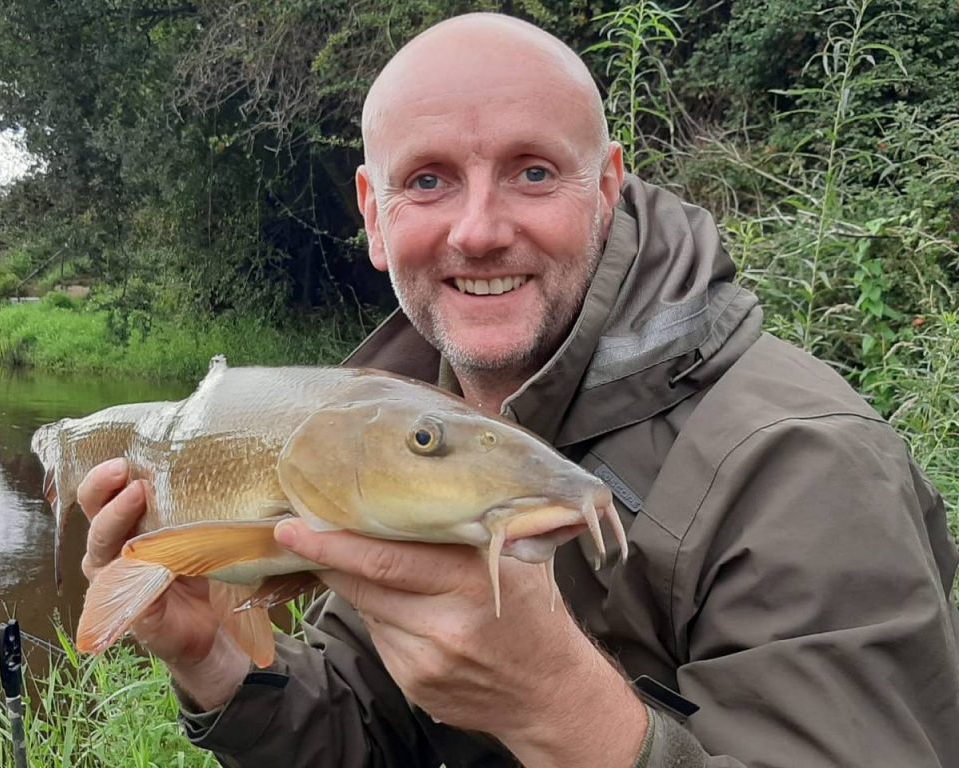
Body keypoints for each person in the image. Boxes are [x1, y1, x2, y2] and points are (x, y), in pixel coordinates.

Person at [76, 12, 959, 767]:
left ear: (607, 187)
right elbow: (369, 734)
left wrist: (562, 709)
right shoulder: (394, 425)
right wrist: (215, 665)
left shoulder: (805, 464)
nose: (480, 229)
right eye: (427, 181)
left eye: (533, 171)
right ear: (374, 216)